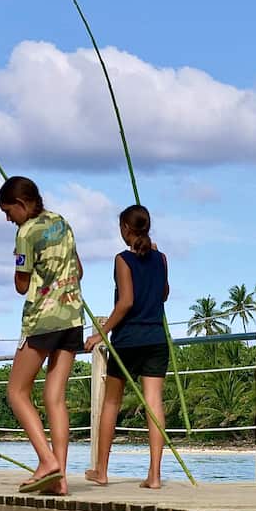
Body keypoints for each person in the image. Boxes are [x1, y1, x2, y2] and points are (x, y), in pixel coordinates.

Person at [0, 176, 83, 495]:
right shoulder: (62, 223)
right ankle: (59, 479)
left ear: (22, 205)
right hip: (73, 316)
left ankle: (47, 461)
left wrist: (23, 262)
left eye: (8, 212)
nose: (8, 219)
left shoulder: (26, 232)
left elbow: (21, 286)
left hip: (44, 320)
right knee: (55, 398)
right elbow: (79, 270)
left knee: (17, 392)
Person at [85, 205, 170, 489]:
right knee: (154, 403)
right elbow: (164, 294)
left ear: (125, 228)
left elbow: (126, 303)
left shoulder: (122, 259)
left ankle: (101, 470)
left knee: (111, 402)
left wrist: (101, 333)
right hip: (157, 338)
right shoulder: (162, 258)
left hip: (129, 340)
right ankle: (155, 475)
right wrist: (155, 260)